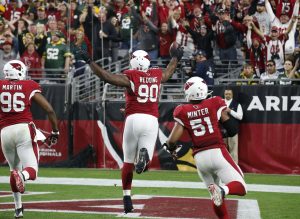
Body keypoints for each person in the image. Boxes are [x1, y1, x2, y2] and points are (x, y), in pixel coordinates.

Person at [80, 46, 184, 213]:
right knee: (145, 162)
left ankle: (127, 198)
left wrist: (90, 62)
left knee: (127, 161)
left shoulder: (131, 75)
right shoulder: (157, 74)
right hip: (150, 120)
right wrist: (176, 58)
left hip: (132, 120)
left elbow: (107, 77)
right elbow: (169, 72)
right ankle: (143, 158)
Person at [163, 77, 247, 219]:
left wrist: (171, 149)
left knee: (215, 198)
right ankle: (222, 190)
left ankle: (220, 194)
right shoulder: (214, 102)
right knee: (240, 186)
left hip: (200, 159)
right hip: (217, 152)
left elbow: (171, 140)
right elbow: (232, 130)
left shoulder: (182, 110)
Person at [0, 60, 59, 218]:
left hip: (5, 131)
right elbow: (49, 109)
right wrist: (55, 131)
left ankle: (18, 209)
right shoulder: (28, 85)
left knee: (14, 171)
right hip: (24, 129)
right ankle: (22, 177)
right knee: (31, 171)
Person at [223, 89, 243, 163]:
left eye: (229, 94)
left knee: (233, 151)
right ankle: (223, 167)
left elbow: (240, 117)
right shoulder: (220, 103)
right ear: (224, 94)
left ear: (232, 95)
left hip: (233, 130)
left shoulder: (237, 104)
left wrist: (230, 111)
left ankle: (235, 168)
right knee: (222, 150)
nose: (227, 95)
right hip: (222, 130)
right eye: (226, 94)